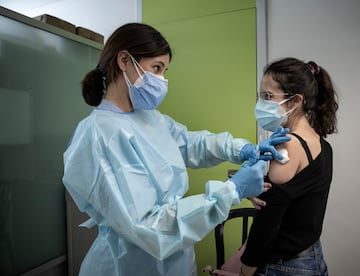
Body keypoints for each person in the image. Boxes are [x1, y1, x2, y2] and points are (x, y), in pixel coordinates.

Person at [62, 23, 290, 276]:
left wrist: (240, 148)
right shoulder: (99, 135)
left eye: (164, 71)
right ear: (125, 60)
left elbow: (191, 144)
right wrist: (230, 191)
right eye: (156, 68)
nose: (161, 80)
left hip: (175, 261)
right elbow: (148, 227)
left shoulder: (149, 118)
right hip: (128, 265)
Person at [239, 57, 338, 276]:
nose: (261, 104)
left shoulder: (288, 143)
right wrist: (248, 185)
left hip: (284, 265)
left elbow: (268, 219)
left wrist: (246, 270)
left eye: (268, 97)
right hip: (311, 256)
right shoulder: (322, 144)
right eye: (260, 96)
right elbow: (288, 197)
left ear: (295, 101)